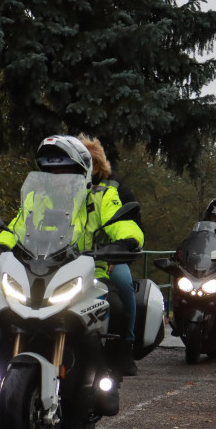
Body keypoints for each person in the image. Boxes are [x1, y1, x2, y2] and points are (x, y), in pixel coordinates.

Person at [0, 135, 144, 377]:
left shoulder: (101, 196)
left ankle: (112, 368)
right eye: (52, 172)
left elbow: (123, 222)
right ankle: (0, 372)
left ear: (82, 171)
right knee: (4, 310)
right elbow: (17, 226)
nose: (59, 177)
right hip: (40, 270)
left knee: (114, 304)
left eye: (66, 170)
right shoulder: (36, 198)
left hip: (91, 271)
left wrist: (128, 240)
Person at [77, 134, 144, 374]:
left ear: (96, 164)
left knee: (124, 285)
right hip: (66, 262)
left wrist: (120, 252)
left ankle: (126, 343)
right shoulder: (63, 191)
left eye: (86, 161)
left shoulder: (114, 189)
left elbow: (129, 221)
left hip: (108, 258)